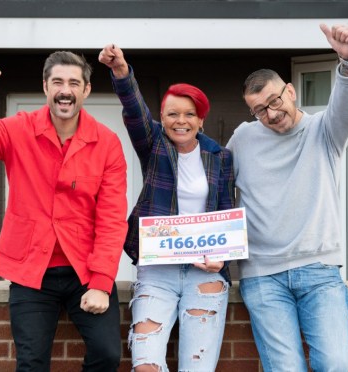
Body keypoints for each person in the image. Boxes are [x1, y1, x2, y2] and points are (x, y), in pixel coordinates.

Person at [0, 51, 128, 372]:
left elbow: (112, 218)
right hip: (31, 271)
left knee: (108, 353)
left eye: (74, 82)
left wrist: (101, 282)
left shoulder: (107, 143)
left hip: (85, 271)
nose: (65, 90)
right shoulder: (18, 129)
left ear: (86, 90)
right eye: (57, 81)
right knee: (31, 363)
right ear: (45, 87)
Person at [226, 24, 348, 372]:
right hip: (261, 276)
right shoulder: (243, 138)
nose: (270, 114)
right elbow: (212, 186)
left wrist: (346, 64)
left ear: (290, 91)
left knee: (335, 364)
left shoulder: (325, 130)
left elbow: (345, 107)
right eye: (259, 110)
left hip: (319, 269)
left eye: (274, 101)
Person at [99, 45, 235, 372]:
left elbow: (227, 211)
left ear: (201, 119)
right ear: (162, 118)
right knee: (146, 363)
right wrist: (121, 71)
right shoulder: (155, 145)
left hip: (205, 272)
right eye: (173, 113)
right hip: (158, 270)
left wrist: (224, 257)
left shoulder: (221, 157)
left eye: (189, 114)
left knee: (197, 367)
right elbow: (134, 111)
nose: (181, 121)